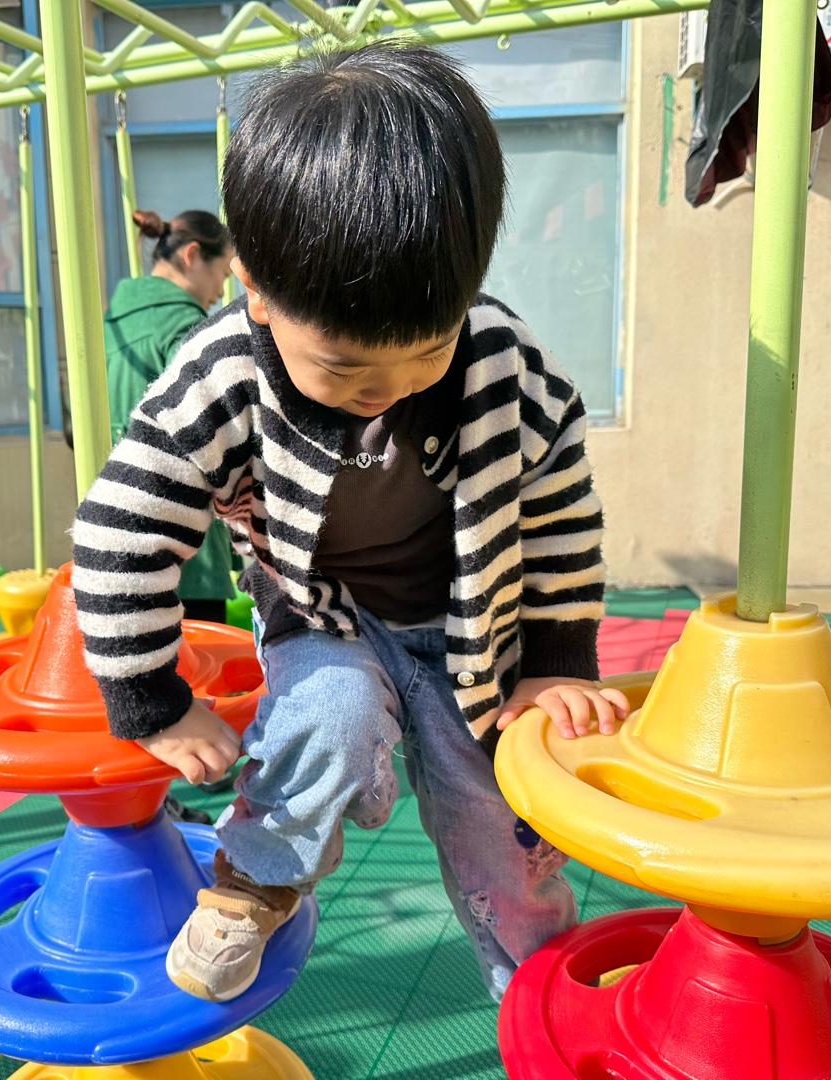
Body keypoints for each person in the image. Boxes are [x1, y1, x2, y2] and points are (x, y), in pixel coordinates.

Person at [72, 43, 627, 1006]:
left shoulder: (500, 358)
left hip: (474, 629)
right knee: (327, 721)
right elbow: (118, 533)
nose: (387, 390)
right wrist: (153, 701)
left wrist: (556, 659)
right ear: (255, 288)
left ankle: (538, 988)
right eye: (344, 367)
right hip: (323, 616)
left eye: (425, 353)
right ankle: (254, 880)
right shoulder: (221, 375)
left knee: (501, 818)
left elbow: (559, 506)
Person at [103, 209, 237, 623]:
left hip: (117, 528)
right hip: (184, 544)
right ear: (191, 255)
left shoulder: (111, 325)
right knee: (201, 656)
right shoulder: (183, 325)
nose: (221, 291)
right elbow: (210, 423)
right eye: (222, 273)